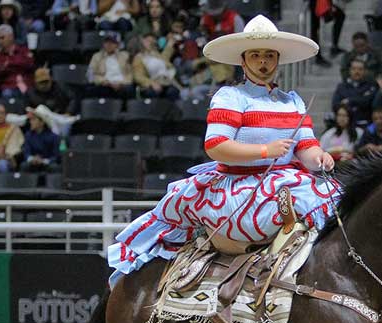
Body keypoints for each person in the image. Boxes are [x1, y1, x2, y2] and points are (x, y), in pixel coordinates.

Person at [108, 15, 337, 285]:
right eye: (256, 56)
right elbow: (216, 146)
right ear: (243, 61)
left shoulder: (292, 102)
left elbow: (306, 146)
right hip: (240, 183)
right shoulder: (231, 97)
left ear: (277, 59)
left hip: (285, 179)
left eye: (269, 56)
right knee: (313, 201)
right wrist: (265, 151)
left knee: (338, 199)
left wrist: (320, 157)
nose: (263, 62)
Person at [133, 31, 180, 100]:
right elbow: (138, 76)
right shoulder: (139, 58)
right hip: (153, 83)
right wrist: (152, 83)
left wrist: (170, 44)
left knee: (173, 91)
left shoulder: (156, 54)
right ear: (142, 42)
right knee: (154, 93)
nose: (151, 43)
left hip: (167, 81)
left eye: (153, 41)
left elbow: (165, 58)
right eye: (148, 41)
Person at [87, 31, 134, 99]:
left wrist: (121, 83)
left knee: (129, 89)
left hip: (122, 84)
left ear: (117, 44)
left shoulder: (125, 56)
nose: (109, 45)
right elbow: (91, 75)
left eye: (112, 42)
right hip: (105, 84)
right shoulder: (96, 56)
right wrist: (105, 81)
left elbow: (130, 73)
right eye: (106, 42)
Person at [0, 22, 34, 98]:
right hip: (9, 86)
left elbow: (30, 64)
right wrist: (18, 63)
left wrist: (9, 63)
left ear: (11, 36)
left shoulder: (24, 50)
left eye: (2, 38)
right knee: (7, 94)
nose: (0, 41)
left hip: (27, 83)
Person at [332, 58, 377, 125]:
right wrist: (359, 100)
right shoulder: (341, 87)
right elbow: (335, 105)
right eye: (354, 69)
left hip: (364, 123)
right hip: (345, 125)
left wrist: (349, 100)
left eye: (360, 69)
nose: (357, 72)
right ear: (350, 70)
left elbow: (366, 102)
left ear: (365, 71)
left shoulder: (371, 86)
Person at [21, 105, 59, 171]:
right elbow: (26, 152)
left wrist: (44, 161)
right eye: (31, 119)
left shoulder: (53, 137)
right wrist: (32, 159)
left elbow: (56, 156)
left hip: (47, 164)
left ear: (42, 122)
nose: (31, 122)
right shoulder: (28, 135)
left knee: (54, 167)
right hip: (32, 163)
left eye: (34, 119)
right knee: (24, 165)